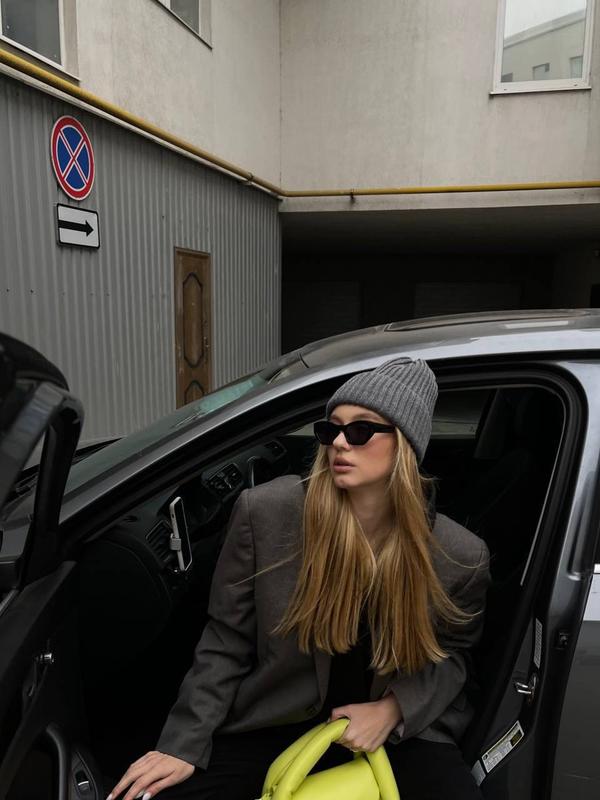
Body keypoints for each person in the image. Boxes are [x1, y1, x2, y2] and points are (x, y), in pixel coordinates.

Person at [108, 357, 490, 800]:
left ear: (404, 444)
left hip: (398, 734)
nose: (340, 443)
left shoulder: (459, 555)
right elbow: (226, 639)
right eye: (331, 430)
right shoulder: (266, 513)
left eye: (361, 431)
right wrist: (182, 746)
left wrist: (391, 710)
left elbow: (454, 656)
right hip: (278, 719)